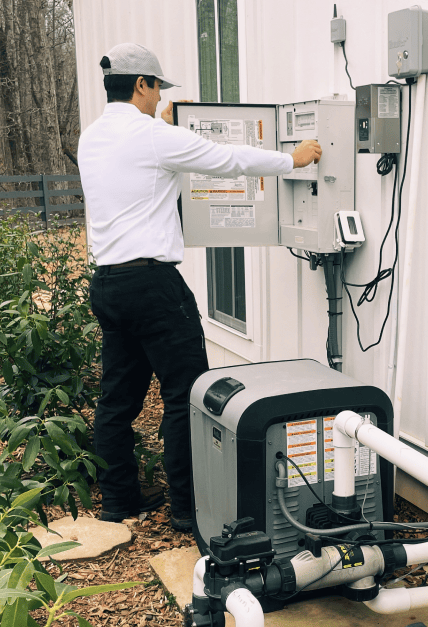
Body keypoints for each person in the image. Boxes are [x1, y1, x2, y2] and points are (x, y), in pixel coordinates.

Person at [78, 43, 321, 531]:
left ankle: (119, 501)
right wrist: (292, 159)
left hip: (108, 284)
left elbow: (142, 166)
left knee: (117, 401)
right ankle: (188, 509)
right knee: (185, 395)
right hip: (152, 286)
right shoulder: (153, 137)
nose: (158, 97)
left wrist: (167, 126)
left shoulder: (92, 137)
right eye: (157, 88)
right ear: (142, 84)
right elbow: (226, 158)